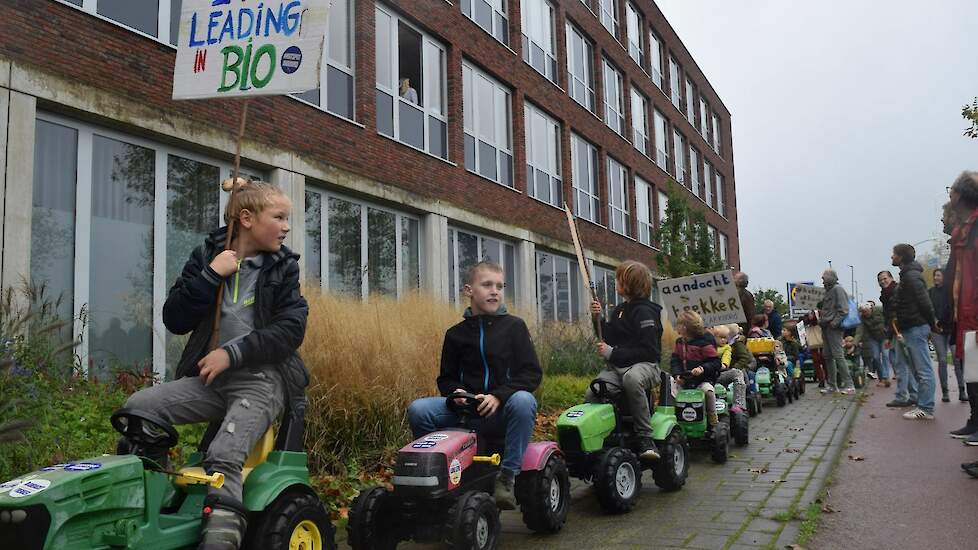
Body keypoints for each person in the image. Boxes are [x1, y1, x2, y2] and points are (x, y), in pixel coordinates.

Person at [122, 179, 309, 549]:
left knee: (222, 456)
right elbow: (175, 318)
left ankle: (220, 540)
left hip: (261, 382)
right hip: (209, 384)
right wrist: (211, 275)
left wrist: (231, 353)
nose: (287, 227)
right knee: (138, 411)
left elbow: (290, 330)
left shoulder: (283, 269)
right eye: (280, 217)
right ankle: (144, 510)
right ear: (247, 219)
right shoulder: (206, 257)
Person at [408, 261, 541, 509]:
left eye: (500, 286)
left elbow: (531, 373)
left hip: (502, 411)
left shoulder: (515, 327)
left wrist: (499, 396)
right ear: (469, 290)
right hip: (465, 413)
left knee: (525, 400)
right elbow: (445, 378)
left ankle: (507, 477)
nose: (495, 291)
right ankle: (441, 472)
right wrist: (454, 393)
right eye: (487, 285)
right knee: (419, 409)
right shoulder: (454, 334)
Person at [583, 260, 664, 462]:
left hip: (646, 366)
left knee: (632, 378)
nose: (615, 282)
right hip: (619, 367)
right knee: (594, 391)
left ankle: (646, 438)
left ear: (629, 284)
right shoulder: (620, 310)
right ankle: (597, 438)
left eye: (618, 279)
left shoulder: (645, 312)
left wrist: (613, 354)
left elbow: (649, 350)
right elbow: (609, 337)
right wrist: (598, 319)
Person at [944, 173, 978, 454]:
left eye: (951, 190)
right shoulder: (965, 228)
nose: (949, 196)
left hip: (974, 309)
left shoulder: (975, 226)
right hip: (966, 309)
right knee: (972, 368)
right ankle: (975, 420)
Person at [891, 243, 938, 420]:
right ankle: (923, 405)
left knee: (923, 369)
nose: (891, 257)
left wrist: (932, 323)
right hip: (912, 326)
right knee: (919, 369)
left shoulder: (911, 276)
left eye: (894, 254)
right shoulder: (908, 275)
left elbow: (924, 302)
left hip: (916, 326)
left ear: (901, 257)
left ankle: (926, 408)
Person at [671, 311, 722, 428]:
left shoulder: (704, 342)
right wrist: (677, 375)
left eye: (678, 325)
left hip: (702, 380)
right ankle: (676, 416)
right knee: (671, 390)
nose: (676, 327)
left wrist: (702, 368)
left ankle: (712, 417)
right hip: (685, 380)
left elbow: (715, 362)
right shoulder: (679, 342)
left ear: (685, 327)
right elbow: (675, 360)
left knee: (708, 391)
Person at [880, 270, 917, 407]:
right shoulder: (886, 295)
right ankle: (912, 395)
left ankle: (903, 396)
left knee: (901, 364)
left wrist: (895, 330)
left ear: (891, 278)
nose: (883, 281)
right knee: (903, 364)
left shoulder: (894, 292)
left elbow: (894, 314)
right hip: (896, 331)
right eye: (880, 280)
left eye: (885, 278)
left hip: (900, 330)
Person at [818, 269, 856, 394]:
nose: (822, 280)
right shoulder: (828, 291)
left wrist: (834, 323)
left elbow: (844, 310)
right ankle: (832, 385)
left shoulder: (837, 289)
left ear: (830, 277)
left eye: (824, 278)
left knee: (838, 356)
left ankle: (849, 385)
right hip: (826, 327)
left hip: (833, 327)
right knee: (828, 356)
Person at [929, 268, 960, 402]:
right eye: (935, 275)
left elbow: (954, 307)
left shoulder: (951, 291)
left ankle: (962, 390)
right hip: (937, 330)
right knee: (942, 359)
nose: (936, 278)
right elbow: (928, 308)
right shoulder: (930, 292)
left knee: (956, 359)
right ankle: (945, 392)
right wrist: (933, 321)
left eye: (939, 275)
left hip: (951, 328)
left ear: (944, 277)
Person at [710, 324, 747, 414]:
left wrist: (724, 364)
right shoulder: (708, 346)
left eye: (725, 338)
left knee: (738, 373)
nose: (723, 340)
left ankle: (739, 404)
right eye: (720, 337)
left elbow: (727, 356)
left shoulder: (726, 348)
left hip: (720, 372)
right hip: (707, 374)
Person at [854, 302, 889, 386]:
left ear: (870, 309)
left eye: (866, 311)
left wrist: (888, 330)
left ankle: (885, 377)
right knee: (875, 357)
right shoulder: (862, 318)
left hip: (884, 336)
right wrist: (855, 343)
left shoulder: (879, 310)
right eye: (862, 312)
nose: (865, 314)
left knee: (885, 355)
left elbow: (888, 318)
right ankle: (881, 378)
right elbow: (860, 331)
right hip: (873, 338)